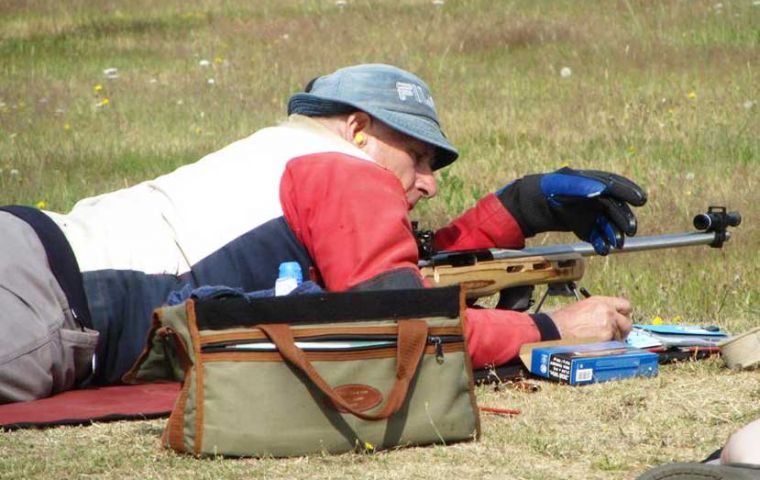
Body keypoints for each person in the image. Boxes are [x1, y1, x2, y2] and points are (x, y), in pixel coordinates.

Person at [0, 64, 646, 403]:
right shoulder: (347, 171)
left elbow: (388, 266)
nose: (428, 182)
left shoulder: (285, 153)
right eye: (419, 157)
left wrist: (521, 208)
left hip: (34, 264)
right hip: (44, 305)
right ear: (360, 127)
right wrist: (553, 330)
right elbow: (399, 322)